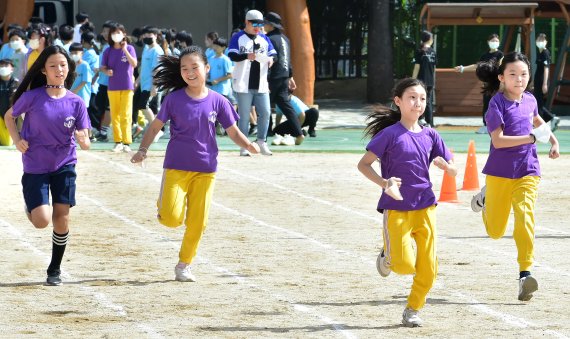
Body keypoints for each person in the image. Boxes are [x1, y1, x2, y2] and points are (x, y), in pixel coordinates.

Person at [130, 46, 260, 282]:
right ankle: (164, 206)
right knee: (171, 218)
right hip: (176, 167)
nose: (189, 72)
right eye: (184, 68)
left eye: (194, 67)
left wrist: (248, 145)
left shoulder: (218, 101)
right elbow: (155, 126)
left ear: (206, 68)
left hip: (206, 169)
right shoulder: (173, 99)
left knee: (198, 222)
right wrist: (142, 150)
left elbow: (232, 130)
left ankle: (184, 264)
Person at [357, 78, 457, 327]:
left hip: (425, 206)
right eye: (412, 97)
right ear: (398, 101)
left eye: (422, 98)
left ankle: (412, 309)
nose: (418, 103)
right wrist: (385, 184)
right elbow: (364, 164)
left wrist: (448, 168)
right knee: (403, 265)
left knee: (429, 268)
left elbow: (454, 170)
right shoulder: (389, 135)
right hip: (397, 208)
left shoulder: (431, 135)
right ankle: (388, 255)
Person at [471, 52, 559, 301]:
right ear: (501, 77)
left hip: (527, 169)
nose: (519, 79)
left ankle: (525, 273)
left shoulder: (530, 99)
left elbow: (537, 119)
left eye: (523, 74)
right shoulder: (496, 104)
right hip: (499, 173)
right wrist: (531, 138)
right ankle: (484, 200)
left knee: (525, 215)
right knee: (496, 232)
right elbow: (498, 141)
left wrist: (553, 141)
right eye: (513, 74)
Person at [3, 45, 91, 286]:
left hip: (64, 163)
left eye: (63, 65)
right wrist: (17, 138)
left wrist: (84, 139)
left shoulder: (76, 102)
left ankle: (54, 269)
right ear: (43, 70)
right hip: (36, 164)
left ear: (68, 68)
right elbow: (9, 116)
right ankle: (31, 207)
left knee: (62, 218)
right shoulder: (32, 97)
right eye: (53, 66)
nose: (59, 69)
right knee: (42, 220)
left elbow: (85, 135)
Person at [228, 9, 277, 156]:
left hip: (261, 83)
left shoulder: (264, 38)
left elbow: (273, 54)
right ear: (246, 22)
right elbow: (232, 55)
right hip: (243, 83)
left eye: (260, 23)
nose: (257, 26)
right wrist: (246, 56)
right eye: (254, 23)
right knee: (244, 116)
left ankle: (261, 142)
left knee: (266, 112)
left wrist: (271, 60)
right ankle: (244, 146)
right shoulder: (237, 37)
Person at [264, 11, 304, 144]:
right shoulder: (285, 39)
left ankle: (267, 131)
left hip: (273, 77)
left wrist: (266, 78)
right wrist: (290, 76)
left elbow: (271, 60)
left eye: (265, 23)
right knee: (286, 106)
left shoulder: (268, 39)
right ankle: (299, 133)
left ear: (270, 25)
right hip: (284, 76)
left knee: (264, 104)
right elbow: (287, 59)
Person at [455, 33, 504, 134]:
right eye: (492, 41)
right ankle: (486, 125)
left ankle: (499, 125)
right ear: (488, 42)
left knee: (498, 103)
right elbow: (477, 65)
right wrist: (463, 68)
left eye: (496, 41)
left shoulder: (500, 55)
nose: (494, 43)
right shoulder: (485, 55)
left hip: (497, 84)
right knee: (487, 103)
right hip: (487, 84)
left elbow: (502, 67)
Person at [100, 23, 137, 152]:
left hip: (127, 86)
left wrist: (125, 49)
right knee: (115, 114)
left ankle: (127, 142)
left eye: (119, 33)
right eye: (113, 33)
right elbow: (103, 67)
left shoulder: (130, 48)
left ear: (124, 34)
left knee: (126, 114)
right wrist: (107, 71)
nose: (116, 35)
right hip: (113, 86)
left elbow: (134, 64)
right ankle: (118, 141)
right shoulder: (108, 50)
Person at [132, 26, 164, 140]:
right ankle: (152, 128)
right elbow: (144, 68)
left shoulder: (157, 50)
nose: (146, 37)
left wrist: (154, 86)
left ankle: (157, 130)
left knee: (143, 105)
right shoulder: (146, 48)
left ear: (155, 36)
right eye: (144, 35)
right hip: (144, 84)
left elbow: (157, 70)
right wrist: (137, 81)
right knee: (140, 105)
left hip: (152, 84)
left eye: (149, 35)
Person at [533, 33, 560, 131]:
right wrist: (533, 81)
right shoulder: (539, 52)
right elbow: (538, 69)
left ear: (546, 42)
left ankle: (546, 121)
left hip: (541, 81)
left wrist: (544, 83)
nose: (541, 41)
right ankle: (550, 118)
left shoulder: (545, 52)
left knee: (538, 103)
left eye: (543, 40)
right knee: (537, 102)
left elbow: (546, 69)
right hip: (537, 80)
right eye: (539, 39)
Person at [412, 30, 436, 127]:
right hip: (430, 81)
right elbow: (433, 67)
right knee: (428, 101)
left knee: (420, 100)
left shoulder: (419, 51)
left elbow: (417, 67)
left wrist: (412, 80)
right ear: (430, 39)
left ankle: (422, 120)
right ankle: (429, 122)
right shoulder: (433, 52)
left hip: (421, 81)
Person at [0, 59, 19, 146]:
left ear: (12, 68)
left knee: (8, 143)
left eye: (6, 65)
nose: (3, 67)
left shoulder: (17, 83)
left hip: (12, 117)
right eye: (1, 66)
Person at [69, 43, 93, 109]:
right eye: (72, 53)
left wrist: (74, 91)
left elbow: (85, 81)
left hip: (82, 96)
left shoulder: (85, 65)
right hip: (71, 96)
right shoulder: (71, 65)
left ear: (82, 53)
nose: (74, 55)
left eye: (76, 53)